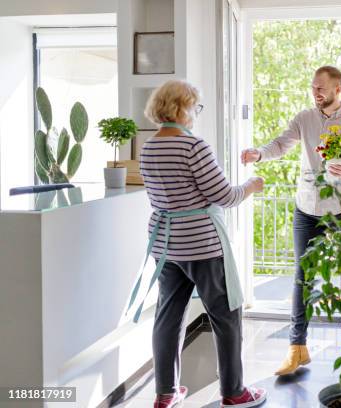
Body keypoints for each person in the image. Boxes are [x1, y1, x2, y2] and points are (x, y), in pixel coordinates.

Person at [139, 79, 267, 408]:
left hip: (166, 244)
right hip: (201, 245)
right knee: (227, 316)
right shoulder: (193, 147)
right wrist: (251, 185)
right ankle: (234, 391)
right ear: (180, 108)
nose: (196, 113)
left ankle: (165, 394)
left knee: (168, 316)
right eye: (194, 106)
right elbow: (224, 196)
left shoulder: (149, 146)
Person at [241, 66, 341, 376]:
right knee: (302, 276)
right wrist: (259, 154)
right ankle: (297, 349)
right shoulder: (304, 118)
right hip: (307, 209)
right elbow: (281, 144)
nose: (316, 92)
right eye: (313, 87)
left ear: (339, 89)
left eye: (322, 88)